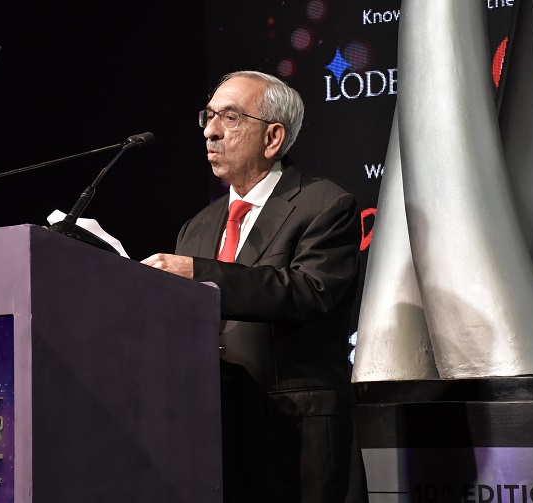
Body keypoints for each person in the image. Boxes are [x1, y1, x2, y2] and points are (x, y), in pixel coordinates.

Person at [141, 70, 368, 503]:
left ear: (273, 137)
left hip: (292, 437)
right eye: (208, 116)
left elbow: (308, 290)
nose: (210, 131)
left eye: (229, 117)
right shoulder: (197, 226)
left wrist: (200, 274)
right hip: (207, 436)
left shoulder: (326, 205)